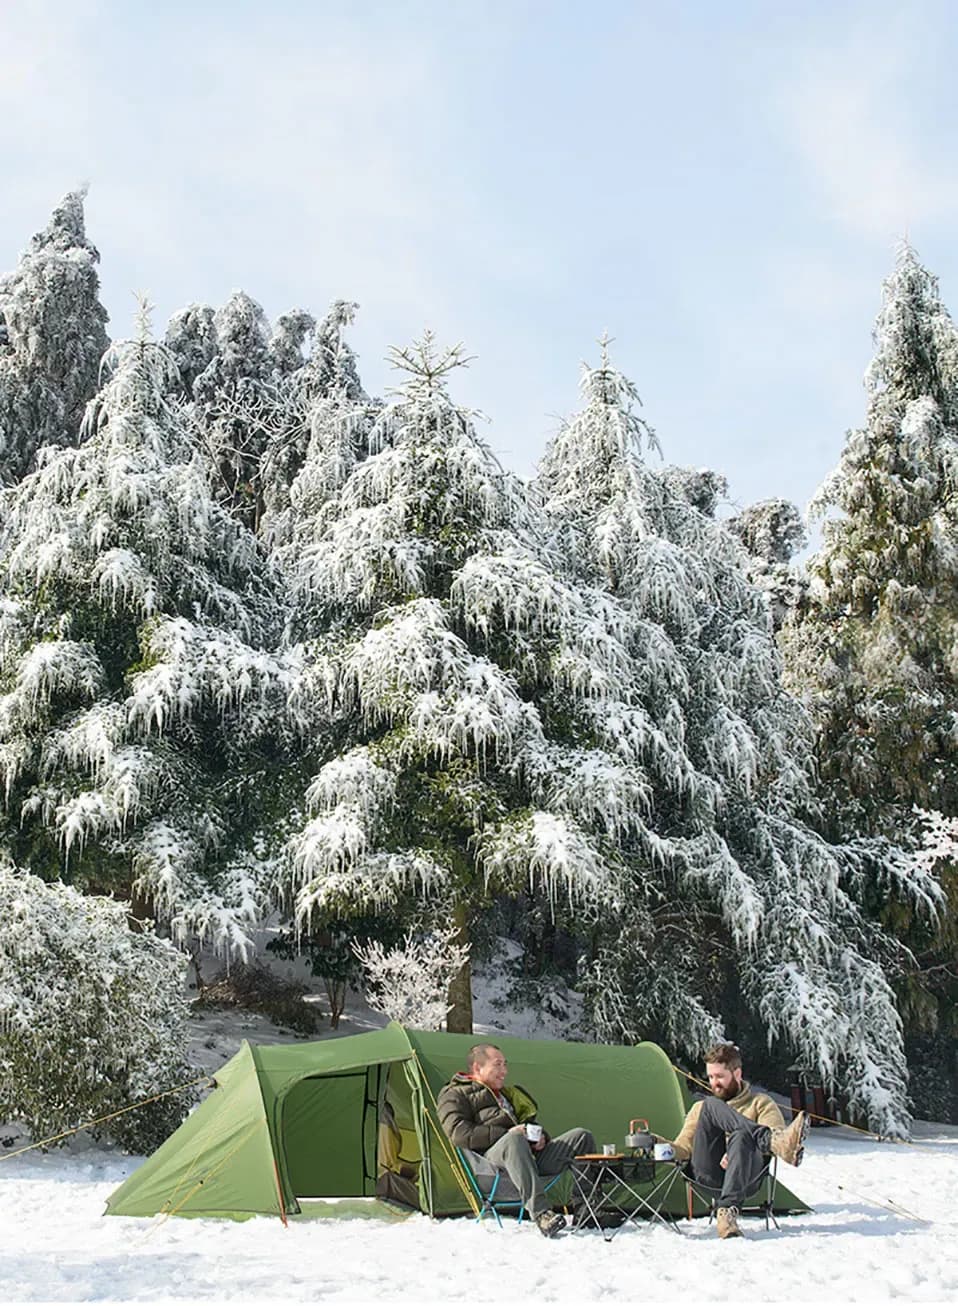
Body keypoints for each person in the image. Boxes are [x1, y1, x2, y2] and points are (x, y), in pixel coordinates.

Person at [438, 1043, 595, 1237]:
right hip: (491, 1168)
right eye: (498, 1065)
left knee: (581, 1137)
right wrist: (508, 1133)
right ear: (478, 1067)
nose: (504, 1071)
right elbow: (458, 1133)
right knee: (514, 1139)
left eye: (505, 1064)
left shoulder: (507, 1095)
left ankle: (587, 1210)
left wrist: (540, 1137)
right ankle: (542, 1213)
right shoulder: (454, 1094)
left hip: (527, 1160)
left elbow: (526, 1126)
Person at [662, 1042, 808, 1239]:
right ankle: (767, 1139)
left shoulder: (760, 1103)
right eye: (711, 1077)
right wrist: (661, 1146)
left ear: (737, 1074)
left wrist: (735, 1153)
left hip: (747, 1176)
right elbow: (684, 1147)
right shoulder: (702, 1108)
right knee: (710, 1105)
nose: (714, 1083)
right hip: (709, 1175)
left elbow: (775, 1136)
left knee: (742, 1135)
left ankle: (726, 1214)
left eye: (719, 1076)